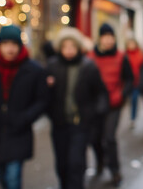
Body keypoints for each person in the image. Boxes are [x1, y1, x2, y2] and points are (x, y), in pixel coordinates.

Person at [0, 25, 48, 189]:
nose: (10, 49)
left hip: (18, 131)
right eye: (6, 44)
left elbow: (42, 100)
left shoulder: (33, 70)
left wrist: (26, 117)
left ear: (20, 46)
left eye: (13, 44)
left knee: (13, 177)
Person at [45, 28, 108, 189]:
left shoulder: (88, 67)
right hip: (59, 124)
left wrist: (95, 113)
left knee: (76, 162)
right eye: (65, 46)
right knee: (62, 164)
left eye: (72, 46)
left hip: (81, 123)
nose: (69, 50)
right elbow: (43, 95)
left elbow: (100, 93)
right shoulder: (52, 66)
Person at [87, 23, 133, 186]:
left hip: (114, 104)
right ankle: (100, 161)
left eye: (110, 37)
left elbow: (129, 80)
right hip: (95, 104)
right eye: (105, 37)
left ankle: (115, 170)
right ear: (100, 38)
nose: (108, 40)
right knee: (94, 138)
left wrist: (121, 95)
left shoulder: (121, 57)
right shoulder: (91, 57)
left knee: (109, 138)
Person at [125, 38, 143, 128]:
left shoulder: (140, 55)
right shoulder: (125, 55)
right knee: (129, 100)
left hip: (137, 82)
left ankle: (133, 118)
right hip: (127, 82)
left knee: (134, 99)